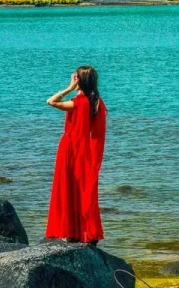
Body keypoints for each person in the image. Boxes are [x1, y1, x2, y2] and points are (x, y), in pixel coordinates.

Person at [45, 65, 107, 244]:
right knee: (83, 190)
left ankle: (70, 232)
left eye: (76, 77)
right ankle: (85, 232)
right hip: (85, 151)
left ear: (79, 81)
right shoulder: (97, 103)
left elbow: (51, 101)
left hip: (69, 149)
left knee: (67, 189)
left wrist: (69, 88)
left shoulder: (77, 103)